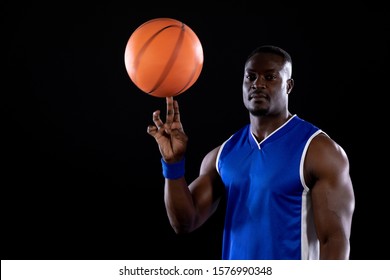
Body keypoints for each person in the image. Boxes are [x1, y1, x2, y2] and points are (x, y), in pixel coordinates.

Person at [146, 45, 355, 260]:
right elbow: (184, 223)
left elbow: (335, 240)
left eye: (270, 77)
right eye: (251, 77)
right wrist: (173, 164)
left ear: (289, 86)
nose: (258, 84)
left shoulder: (317, 150)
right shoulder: (223, 154)